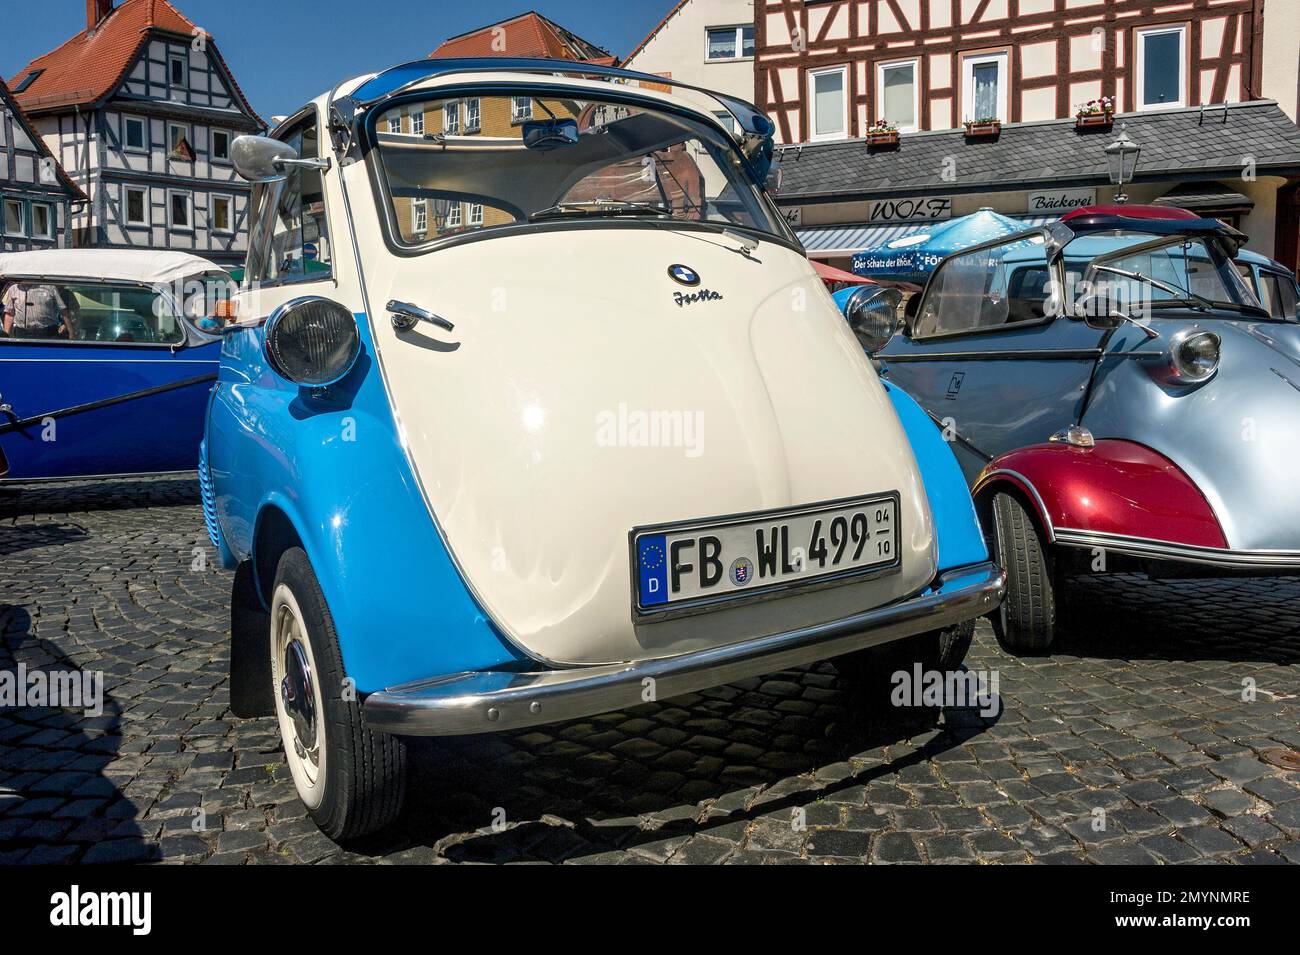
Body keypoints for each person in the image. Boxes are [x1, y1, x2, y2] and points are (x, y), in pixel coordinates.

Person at [2, 281, 70, 338]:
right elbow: (9, 314)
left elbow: (63, 310)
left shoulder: (50, 288)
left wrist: (71, 333)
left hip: (48, 333)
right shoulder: (13, 289)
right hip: (21, 333)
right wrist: (6, 335)